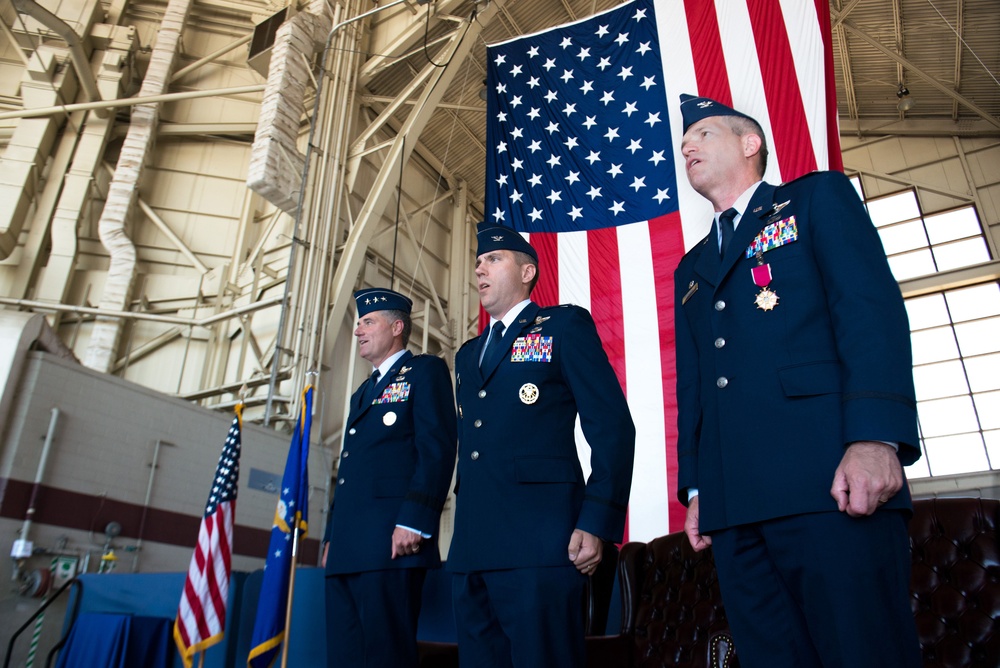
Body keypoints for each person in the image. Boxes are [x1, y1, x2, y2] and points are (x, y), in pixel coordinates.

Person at [673, 93, 923, 667]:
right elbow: (696, 386)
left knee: (864, 652)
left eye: (704, 133)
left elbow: (869, 314)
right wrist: (698, 488)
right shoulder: (692, 268)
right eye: (685, 142)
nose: (687, 146)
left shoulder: (814, 199)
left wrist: (876, 438)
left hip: (829, 482)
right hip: (734, 505)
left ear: (749, 143)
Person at [447, 223, 636, 668]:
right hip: (472, 548)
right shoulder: (467, 355)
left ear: (528, 271)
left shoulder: (562, 326)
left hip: (540, 544)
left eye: (493, 259)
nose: (480, 269)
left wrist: (597, 520)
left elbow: (612, 427)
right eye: (478, 262)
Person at [322, 287, 457, 668]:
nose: (358, 330)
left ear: (397, 326)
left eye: (368, 321)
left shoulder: (425, 371)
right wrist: (334, 536)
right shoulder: (362, 393)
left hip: (392, 542)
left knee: (385, 655)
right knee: (344, 655)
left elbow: (437, 449)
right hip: (348, 548)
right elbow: (350, 470)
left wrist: (415, 520)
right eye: (359, 322)